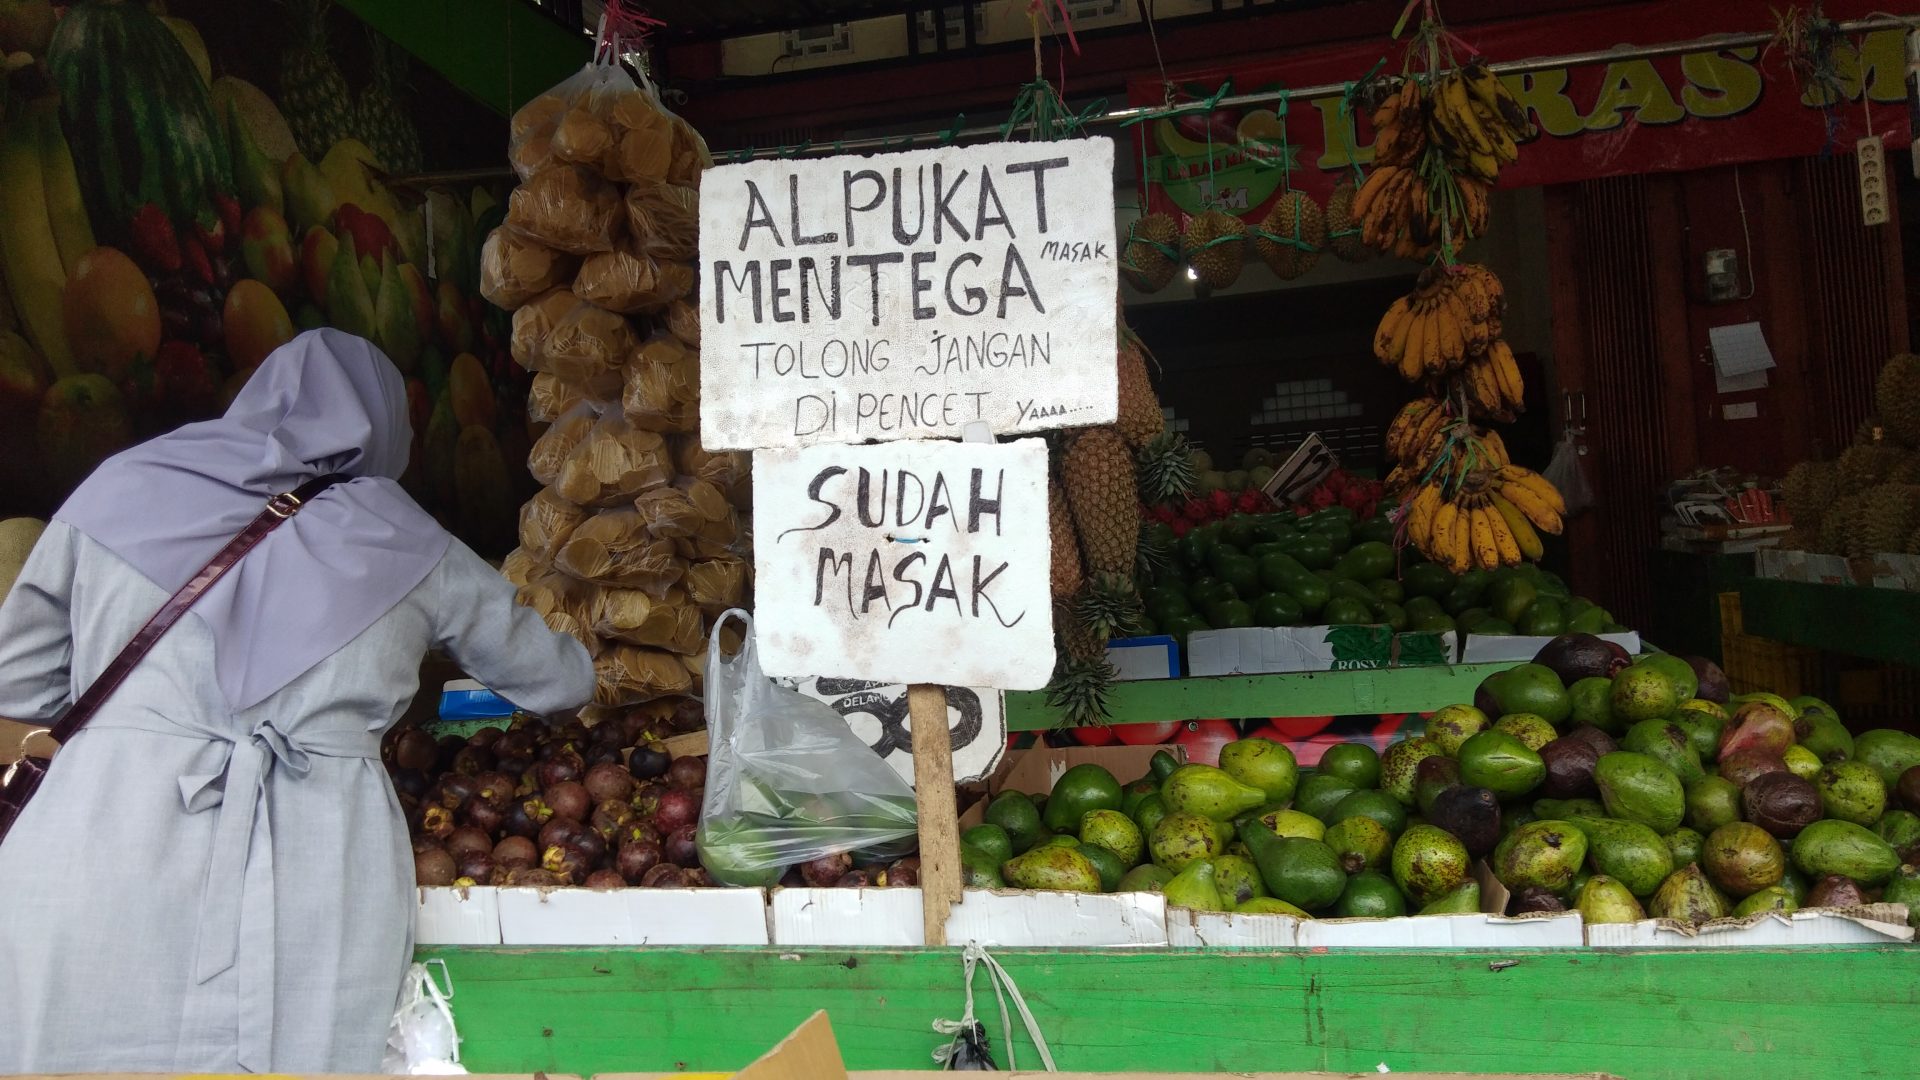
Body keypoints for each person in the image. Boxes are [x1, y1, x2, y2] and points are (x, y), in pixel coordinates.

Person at [0, 329, 595, 1073]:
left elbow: (18, 680)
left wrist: (149, 709)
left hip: (99, 836)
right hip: (311, 857)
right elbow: (563, 681)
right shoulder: (410, 540)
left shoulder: (118, 488)